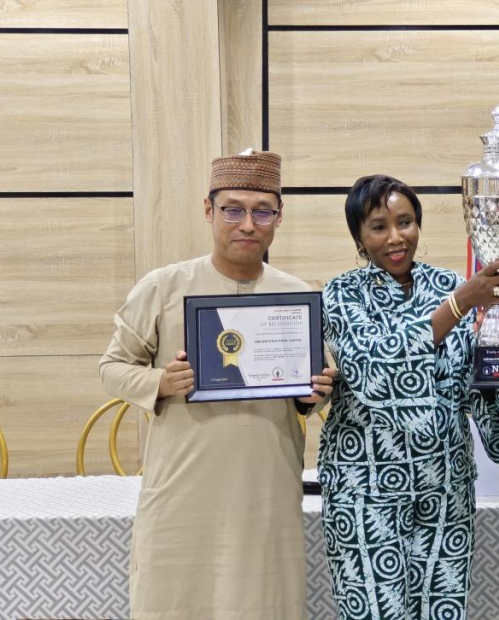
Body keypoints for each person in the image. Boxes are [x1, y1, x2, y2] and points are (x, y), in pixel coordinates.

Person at [99, 148, 336, 620]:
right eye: (233, 210)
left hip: (265, 489)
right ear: (209, 210)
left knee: (263, 604)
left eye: (262, 211)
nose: (247, 224)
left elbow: (316, 386)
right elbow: (112, 367)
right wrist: (160, 381)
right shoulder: (164, 287)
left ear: (279, 217)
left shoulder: (298, 296)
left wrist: (314, 393)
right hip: (182, 489)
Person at [319, 174, 499, 619]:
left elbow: (468, 385)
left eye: (405, 222)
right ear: (359, 237)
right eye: (378, 226)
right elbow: (373, 371)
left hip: (446, 486)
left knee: (442, 610)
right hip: (366, 487)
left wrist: (498, 356)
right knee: (375, 612)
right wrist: (459, 305)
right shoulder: (342, 295)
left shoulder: (450, 283)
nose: (395, 237)